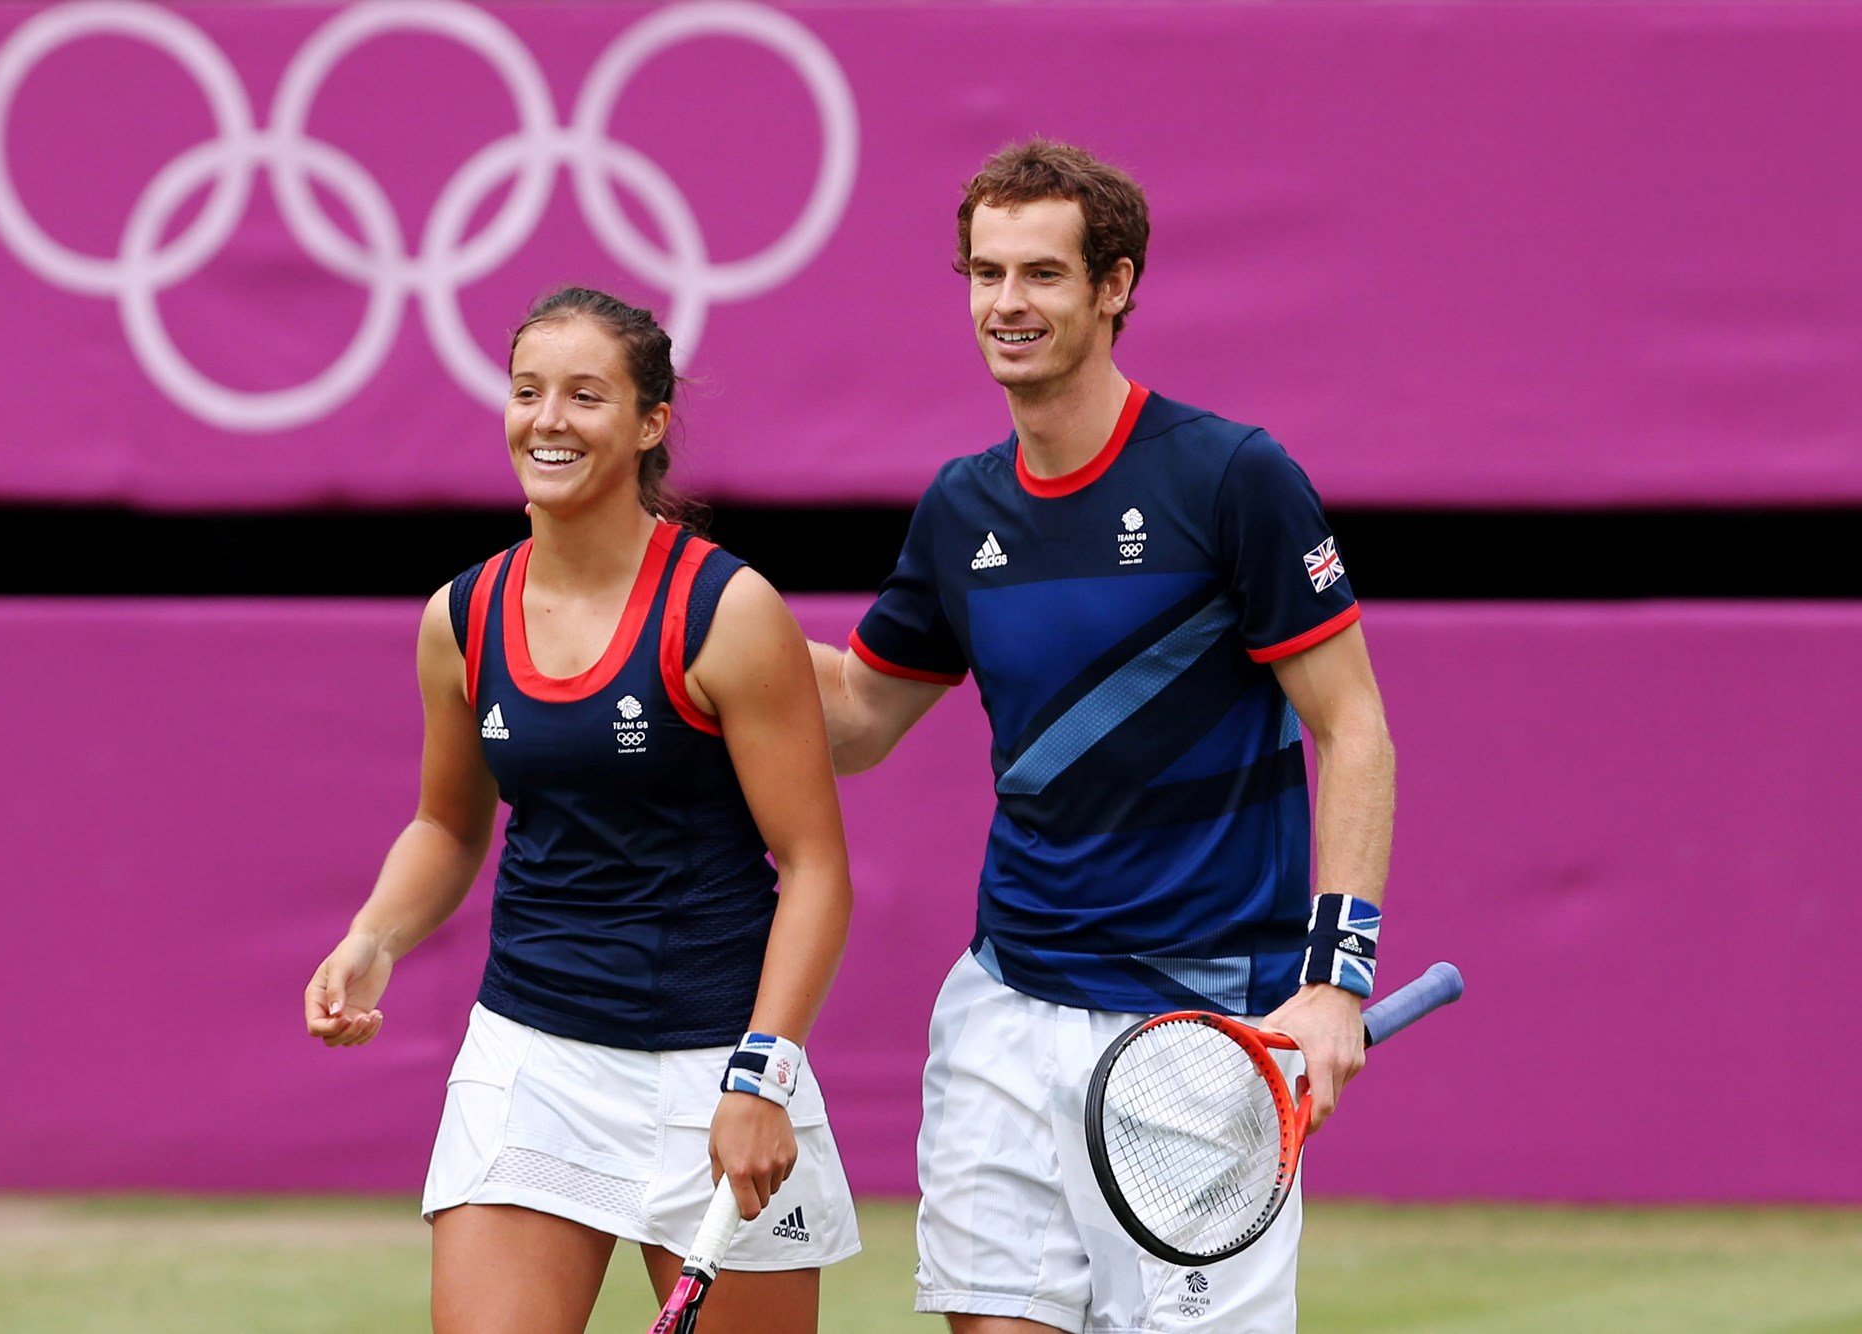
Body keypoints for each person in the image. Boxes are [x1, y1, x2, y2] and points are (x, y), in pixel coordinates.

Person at [809, 140, 1396, 1333]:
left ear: (1113, 286)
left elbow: (1354, 726)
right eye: (983, 274)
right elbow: (857, 719)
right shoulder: (959, 506)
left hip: (1197, 1026)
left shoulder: (1230, 477)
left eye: (1040, 274)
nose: (1005, 304)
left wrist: (1335, 981)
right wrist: (697, 618)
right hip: (1005, 1009)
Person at [304, 287, 860, 1334]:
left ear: (649, 422)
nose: (546, 419)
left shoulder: (727, 610)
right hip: (533, 1057)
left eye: (584, 395)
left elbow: (815, 865)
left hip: (717, 1066)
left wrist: (759, 1074)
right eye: (526, 391)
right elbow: (448, 825)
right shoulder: (460, 616)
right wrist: (373, 936)